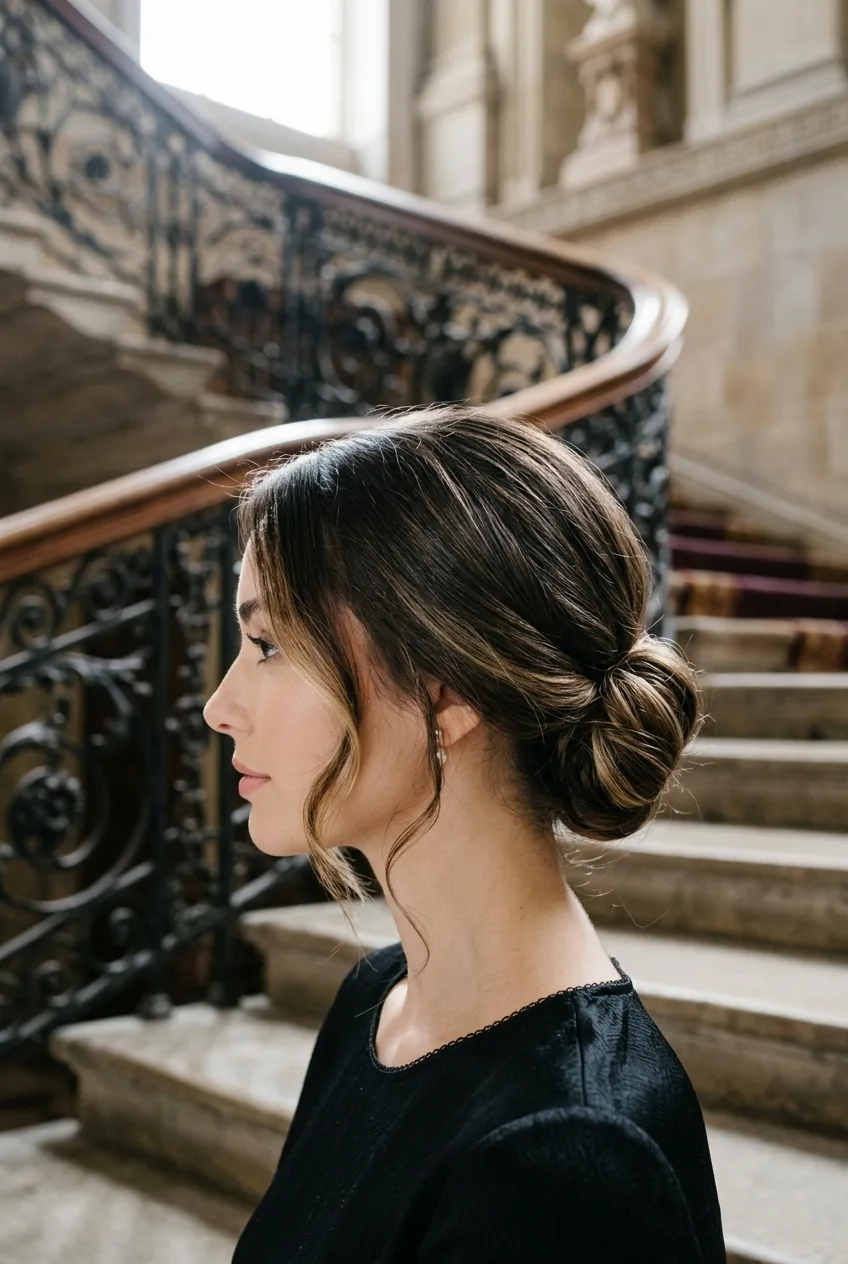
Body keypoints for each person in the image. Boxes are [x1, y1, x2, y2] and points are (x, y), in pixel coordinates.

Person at [203, 404, 726, 1262]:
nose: (219, 707)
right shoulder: (378, 997)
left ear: (447, 693)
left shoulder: (569, 1164)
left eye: (268, 644)